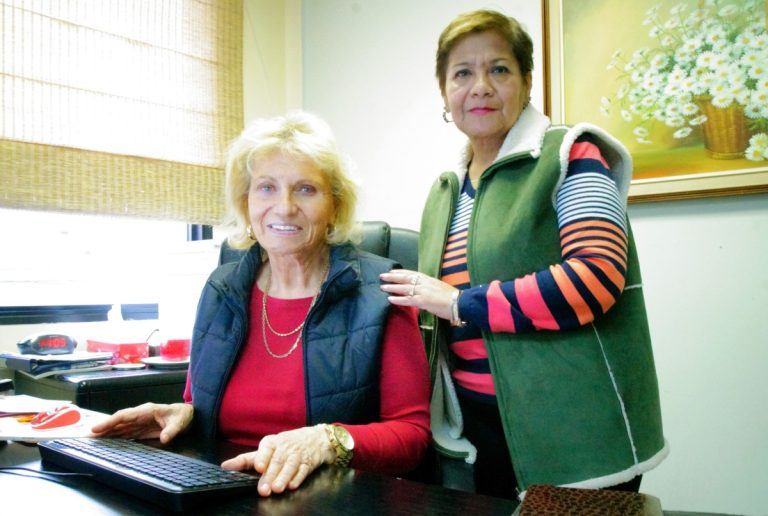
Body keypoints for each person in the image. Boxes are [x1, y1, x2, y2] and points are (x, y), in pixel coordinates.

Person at [380, 9, 668, 500]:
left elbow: (595, 277)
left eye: (499, 69)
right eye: (463, 73)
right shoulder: (444, 192)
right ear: (445, 93)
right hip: (482, 427)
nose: (481, 86)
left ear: (527, 81)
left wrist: (458, 304)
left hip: (573, 427)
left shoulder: (572, 155)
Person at [92, 111, 431, 497]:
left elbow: (411, 437)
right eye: (266, 187)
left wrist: (326, 442)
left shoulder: (381, 293)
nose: (284, 207)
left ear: (334, 205)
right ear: (246, 202)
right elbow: (198, 399)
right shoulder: (222, 289)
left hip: (331, 500)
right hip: (221, 493)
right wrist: (183, 416)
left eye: (305, 189)